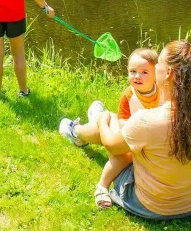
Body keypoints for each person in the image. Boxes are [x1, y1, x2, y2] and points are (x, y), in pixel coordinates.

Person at [97, 39, 191, 220]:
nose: (156, 66)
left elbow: (112, 147)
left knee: (124, 150)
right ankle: (77, 131)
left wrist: (102, 121)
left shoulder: (146, 121)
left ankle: (83, 127)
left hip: (152, 207)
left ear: (167, 73)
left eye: (158, 63)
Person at [59, 48, 160, 208]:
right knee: (123, 155)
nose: (137, 76)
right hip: (132, 134)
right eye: (132, 71)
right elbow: (122, 122)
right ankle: (102, 186)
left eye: (144, 72)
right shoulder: (128, 95)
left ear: (157, 73)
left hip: (149, 138)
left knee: (106, 122)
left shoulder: (163, 91)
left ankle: (93, 120)